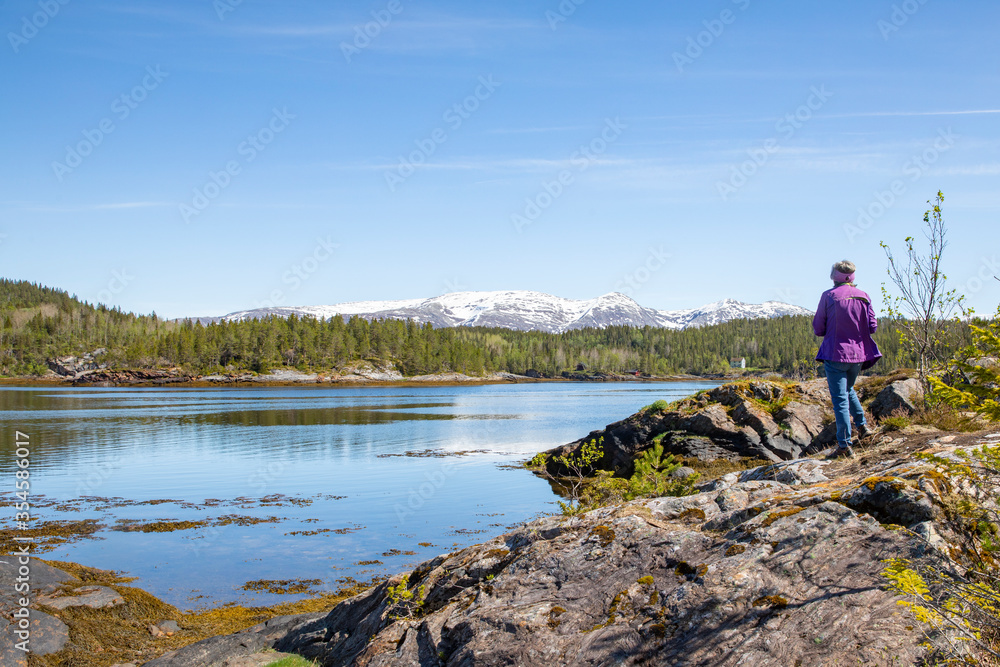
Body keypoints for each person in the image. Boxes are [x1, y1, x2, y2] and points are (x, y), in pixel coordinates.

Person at [813, 260, 882, 458]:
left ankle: (844, 445)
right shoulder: (864, 296)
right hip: (858, 355)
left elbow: (819, 328)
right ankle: (862, 426)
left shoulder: (829, 296)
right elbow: (872, 326)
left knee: (840, 399)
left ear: (834, 276)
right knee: (848, 389)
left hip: (836, 354)